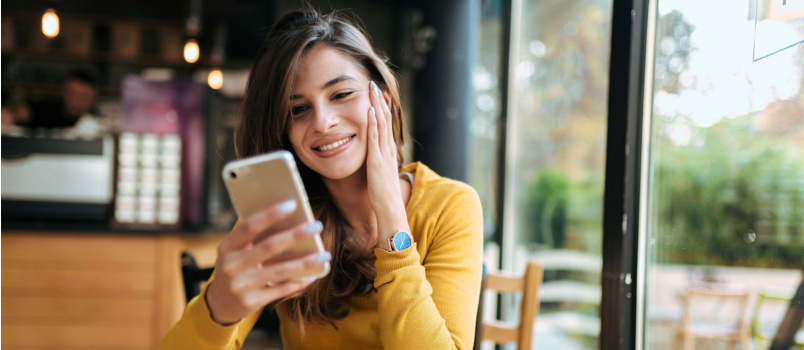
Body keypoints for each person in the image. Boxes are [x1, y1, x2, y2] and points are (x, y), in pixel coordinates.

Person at [160, 8, 483, 350]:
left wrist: (390, 212)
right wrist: (218, 308)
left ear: (384, 99)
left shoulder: (449, 206)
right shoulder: (280, 215)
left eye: (341, 94)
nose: (323, 122)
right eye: (298, 109)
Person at [1, 69, 99, 129]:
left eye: (84, 96)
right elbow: (21, 111)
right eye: (72, 93)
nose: (77, 99)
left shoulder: (100, 121)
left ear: (94, 97)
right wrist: (10, 113)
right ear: (64, 92)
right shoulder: (46, 111)